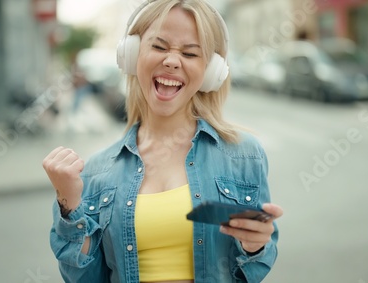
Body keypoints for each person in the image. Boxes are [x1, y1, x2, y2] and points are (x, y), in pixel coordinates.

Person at [43, 0, 283, 282]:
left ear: (210, 72)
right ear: (132, 55)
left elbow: (252, 271)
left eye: (190, 53)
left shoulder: (244, 156)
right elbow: (84, 278)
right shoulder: (96, 172)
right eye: (159, 46)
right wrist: (68, 203)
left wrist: (254, 247)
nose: (171, 60)